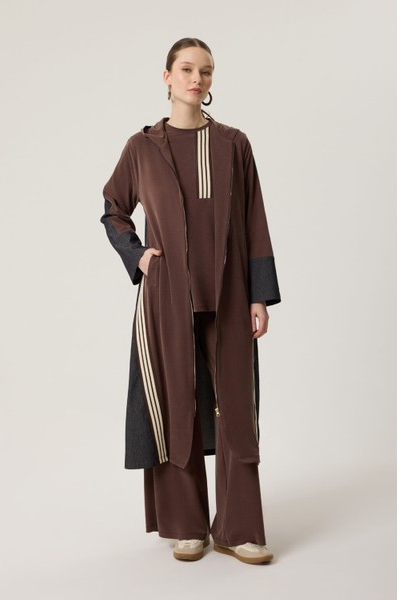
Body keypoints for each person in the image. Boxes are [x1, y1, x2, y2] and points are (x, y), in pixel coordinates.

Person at [100, 37, 281, 565]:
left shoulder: (233, 144)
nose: (196, 79)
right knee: (175, 402)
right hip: (166, 298)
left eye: (205, 71)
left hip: (231, 296)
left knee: (236, 408)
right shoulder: (142, 147)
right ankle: (187, 526)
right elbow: (113, 207)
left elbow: (254, 218)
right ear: (167, 77)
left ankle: (239, 529)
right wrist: (138, 256)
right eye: (186, 69)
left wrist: (260, 295)